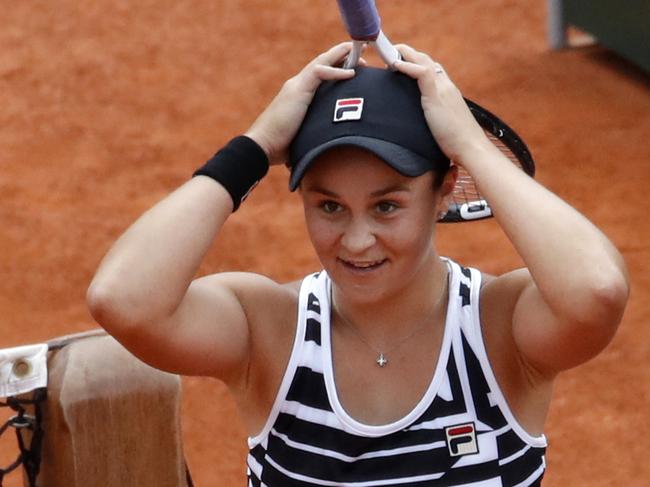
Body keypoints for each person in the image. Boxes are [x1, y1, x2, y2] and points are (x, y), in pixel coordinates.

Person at [87, 42, 629, 486]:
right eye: (329, 206)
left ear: (443, 192)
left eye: (387, 206)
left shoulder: (499, 331)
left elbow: (598, 289)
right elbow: (123, 300)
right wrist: (255, 146)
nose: (357, 239)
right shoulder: (270, 331)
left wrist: (471, 146)